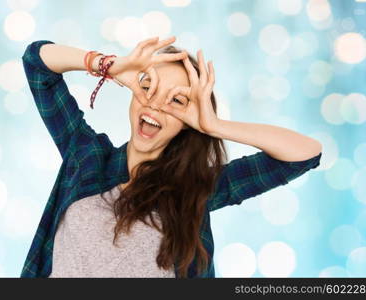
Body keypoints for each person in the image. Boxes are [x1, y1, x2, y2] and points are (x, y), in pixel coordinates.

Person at [20, 36, 323, 278]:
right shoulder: (87, 157)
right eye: (149, 87)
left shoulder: (195, 188)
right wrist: (110, 66)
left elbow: (303, 154)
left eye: (176, 101)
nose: (156, 105)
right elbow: (37, 63)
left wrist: (214, 126)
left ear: (186, 123)